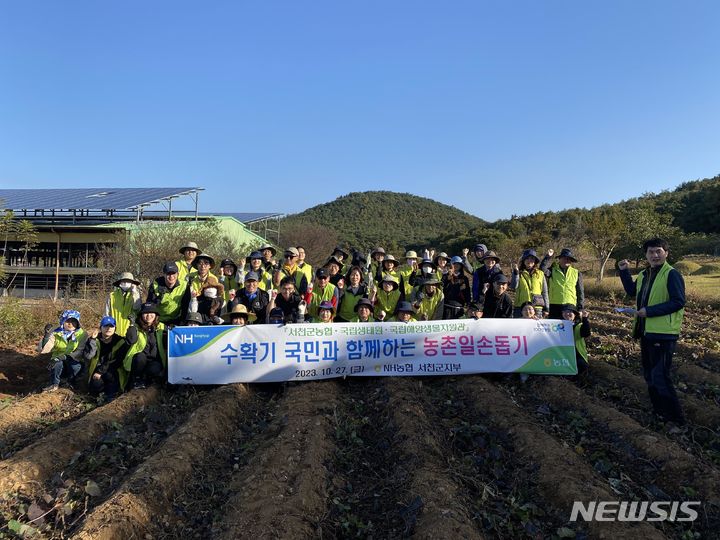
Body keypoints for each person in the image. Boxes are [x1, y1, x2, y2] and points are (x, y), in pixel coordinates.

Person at [618, 238, 686, 426]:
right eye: (650, 252)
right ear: (646, 255)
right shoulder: (644, 274)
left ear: (666, 253)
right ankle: (660, 413)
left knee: (660, 376)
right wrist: (624, 272)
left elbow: (678, 301)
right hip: (646, 332)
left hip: (663, 334)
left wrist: (649, 311)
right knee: (649, 375)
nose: (654, 255)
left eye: (658, 251)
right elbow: (632, 291)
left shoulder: (671, 274)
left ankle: (676, 419)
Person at [37, 309, 88, 392]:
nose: (70, 324)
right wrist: (46, 336)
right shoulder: (55, 333)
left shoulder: (82, 334)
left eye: (74, 321)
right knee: (56, 363)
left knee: (75, 367)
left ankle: (71, 382)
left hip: (73, 359)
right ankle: (54, 384)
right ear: (63, 321)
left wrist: (64, 356)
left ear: (78, 323)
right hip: (57, 359)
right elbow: (43, 350)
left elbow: (80, 351)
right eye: (68, 321)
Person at [83, 316, 131, 401]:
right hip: (96, 368)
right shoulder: (94, 339)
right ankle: (97, 397)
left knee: (110, 376)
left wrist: (100, 371)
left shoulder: (120, 341)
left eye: (111, 326)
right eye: (105, 326)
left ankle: (110, 397)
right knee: (96, 384)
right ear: (100, 328)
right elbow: (88, 356)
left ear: (115, 328)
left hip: (113, 368)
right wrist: (92, 341)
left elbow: (118, 361)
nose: (108, 328)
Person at [124, 302, 167, 390]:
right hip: (138, 360)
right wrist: (131, 325)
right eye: (146, 313)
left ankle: (148, 381)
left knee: (155, 369)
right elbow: (131, 340)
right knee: (140, 357)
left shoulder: (161, 327)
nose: (148, 316)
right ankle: (136, 380)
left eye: (151, 313)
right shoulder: (136, 327)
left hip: (154, 360)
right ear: (141, 315)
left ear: (156, 315)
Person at [540, 248, 586, 320]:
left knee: (569, 329)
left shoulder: (576, 273)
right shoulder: (552, 270)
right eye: (564, 258)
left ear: (571, 261)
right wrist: (548, 257)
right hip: (554, 305)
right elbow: (542, 269)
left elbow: (580, 292)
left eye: (568, 259)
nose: (566, 260)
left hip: (570, 306)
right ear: (559, 259)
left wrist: (580, 308)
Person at [510, 249, 549, 319]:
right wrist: (516, 273)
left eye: (532, 259)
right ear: (523, 260)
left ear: (535, 261)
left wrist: (546, 308)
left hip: (537, 308)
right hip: (520, 307)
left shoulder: (540, 273)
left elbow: (544, 291)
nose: (529, 261)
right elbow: (513, 286)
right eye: (527, 258)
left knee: (536, 329)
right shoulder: (518, 272)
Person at [105, 272, 142, 337]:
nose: (125, 283)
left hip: (131, 331)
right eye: (124, 281)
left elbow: (137, 308)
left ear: (132, 283)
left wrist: (135, 292)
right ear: (120, 283)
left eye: (128, 281)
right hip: (114, 332)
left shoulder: (136, 295)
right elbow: (106, 314)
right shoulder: (112, 296)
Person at [561, 304, 591, 375]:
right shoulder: (557, 325)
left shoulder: (578, 326)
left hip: (577, 354)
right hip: (562, 354)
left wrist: (585, 319)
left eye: (570, 312)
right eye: (565, 312)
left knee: (581, 366)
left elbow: (586, 333)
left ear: (575, 314)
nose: (567, 314)